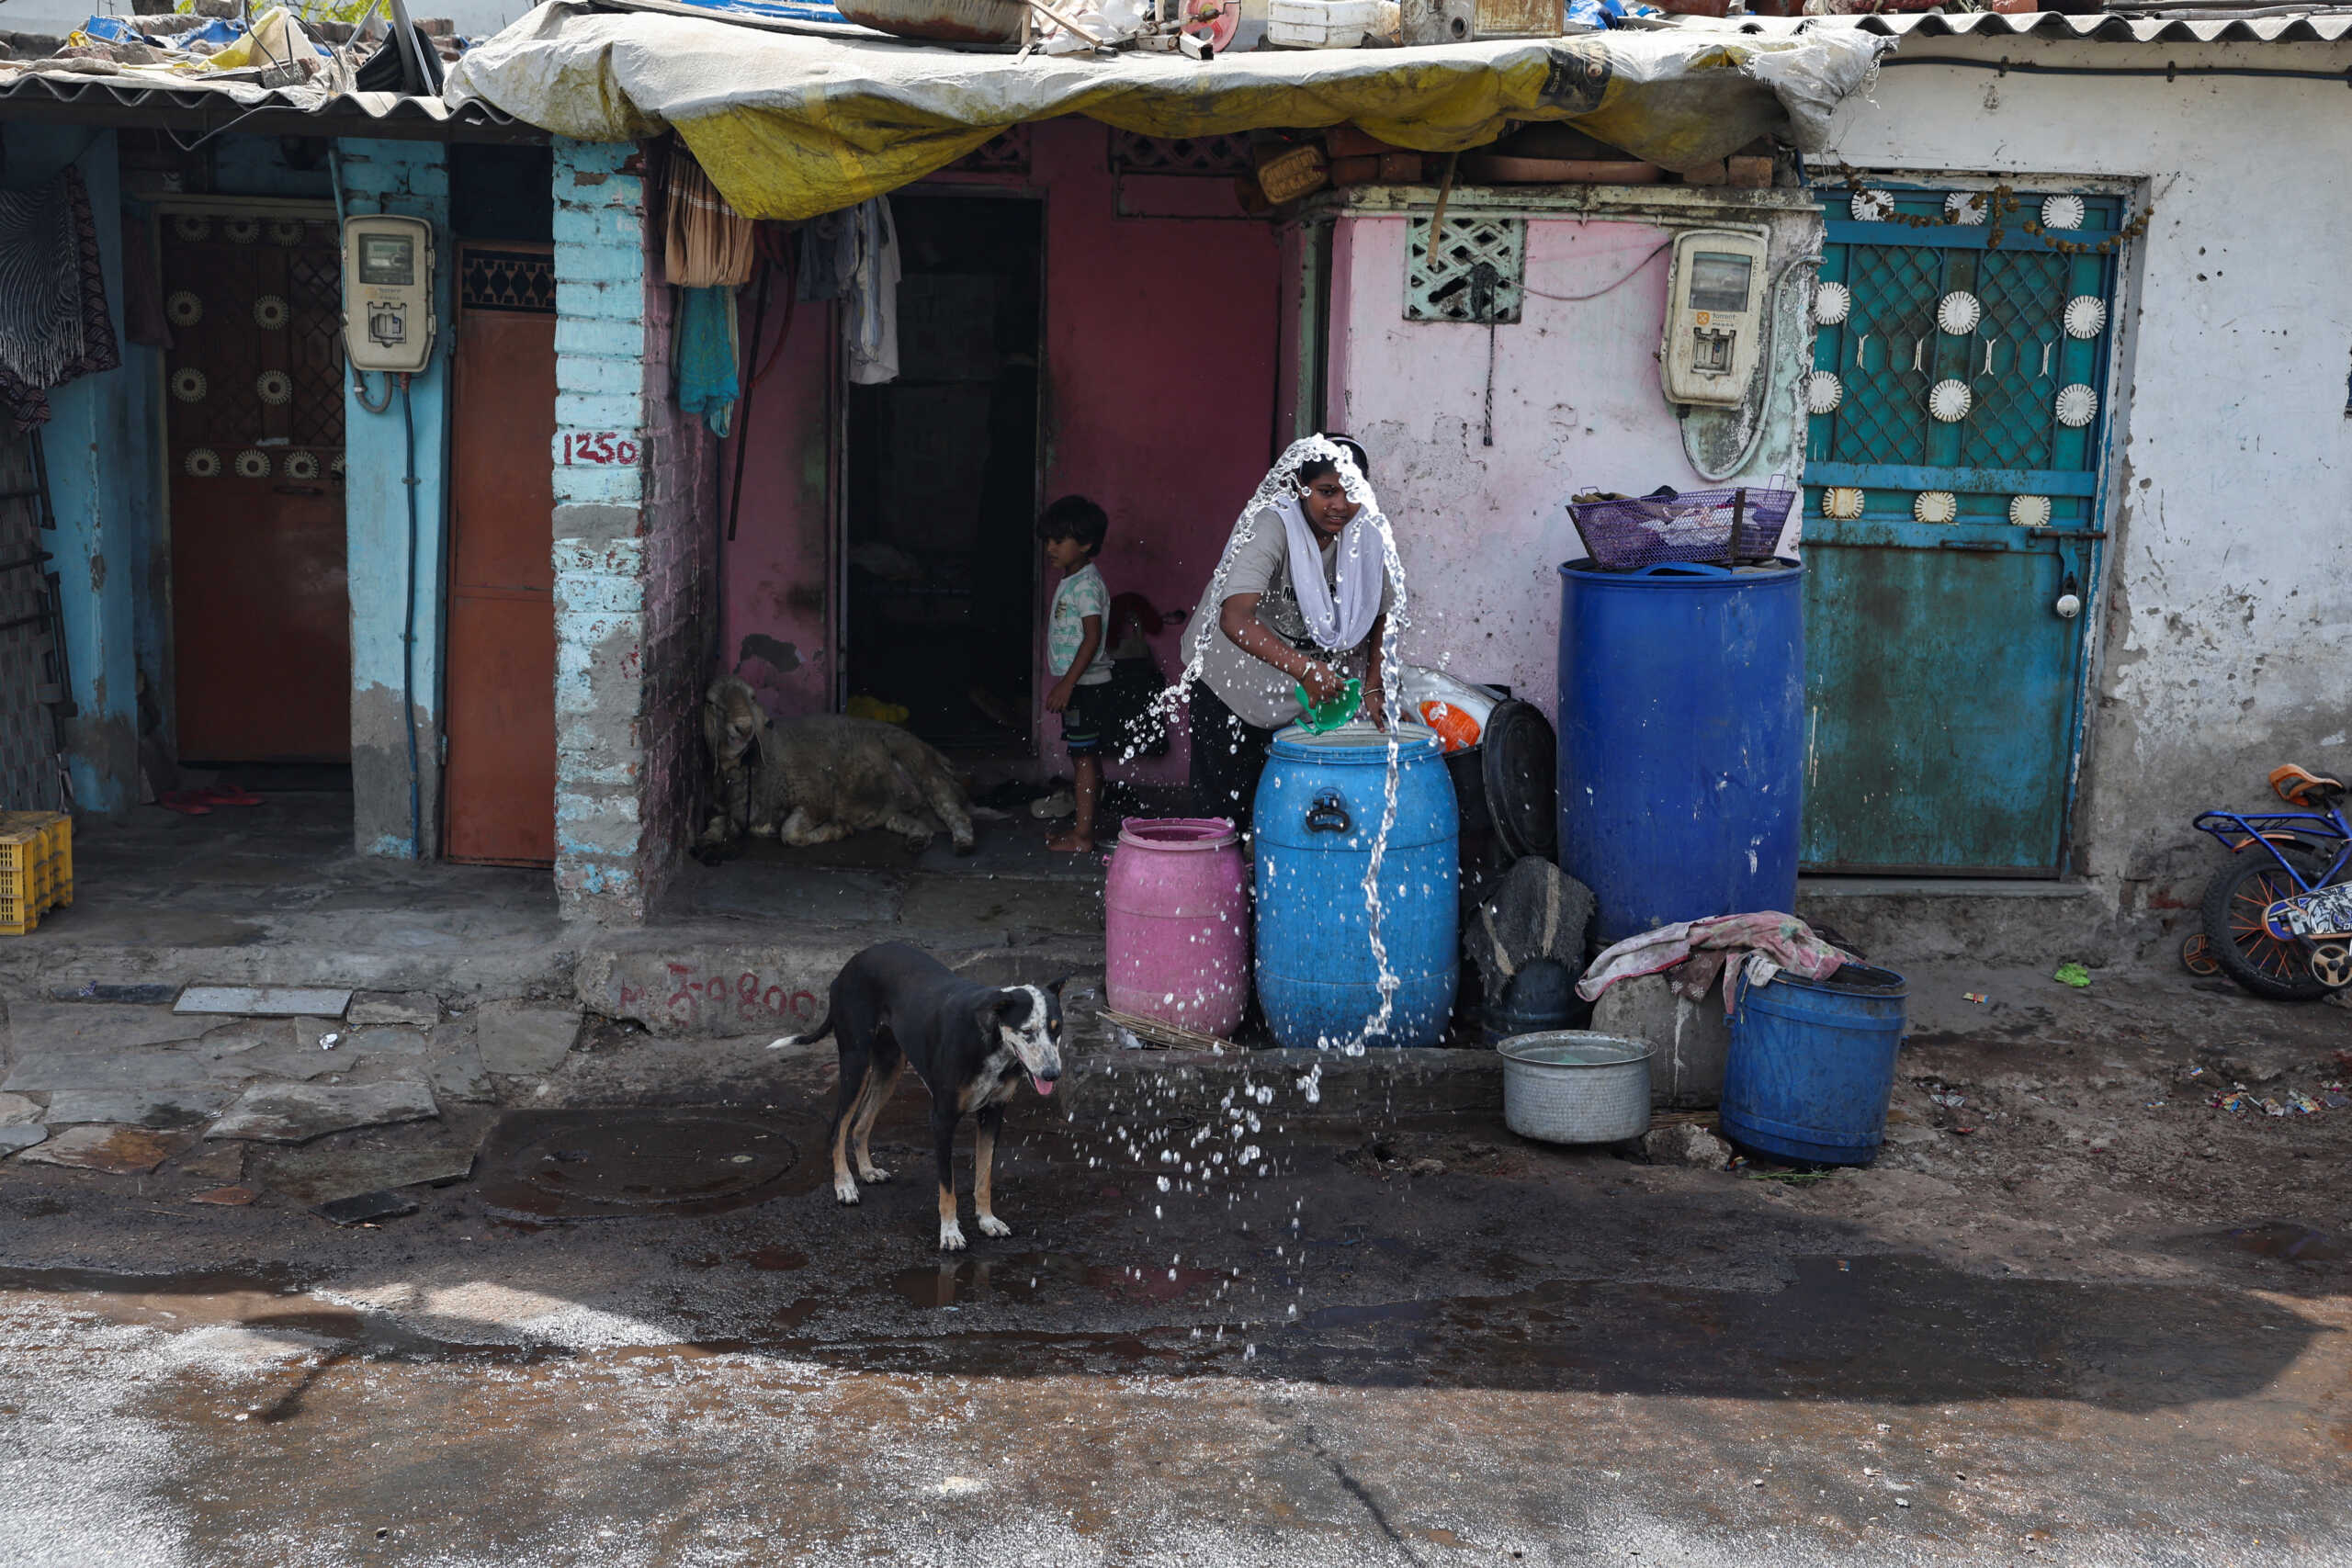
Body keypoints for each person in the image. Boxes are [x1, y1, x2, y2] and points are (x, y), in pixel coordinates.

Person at [1182, 434, 1395, 831]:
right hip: (1231, 682)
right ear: (1301, 487)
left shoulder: (1364, 535)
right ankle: (1218, 889)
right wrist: (1307, 669)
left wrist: (1373, 682)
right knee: (1221, 815)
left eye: (1351, 490)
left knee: (1285, 815)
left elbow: (1382, 609)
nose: (1340, 505)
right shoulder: (1271, 526)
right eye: (1326, 491)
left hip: (1299, 695)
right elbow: (1235, 618)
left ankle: (1268, 890)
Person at [1038, 494, 1114, 852]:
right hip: (1081, 685)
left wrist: (1067, 683)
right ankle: (1084, 830)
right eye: (1048, 541)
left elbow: (1093, 636)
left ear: (1085, 544)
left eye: (1058, 541)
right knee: (1085, 756)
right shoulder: (1074, 579)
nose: (1050, 548)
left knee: (1083, 758)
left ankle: (1083, 837)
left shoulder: (1085, 585)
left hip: (1084, 686)